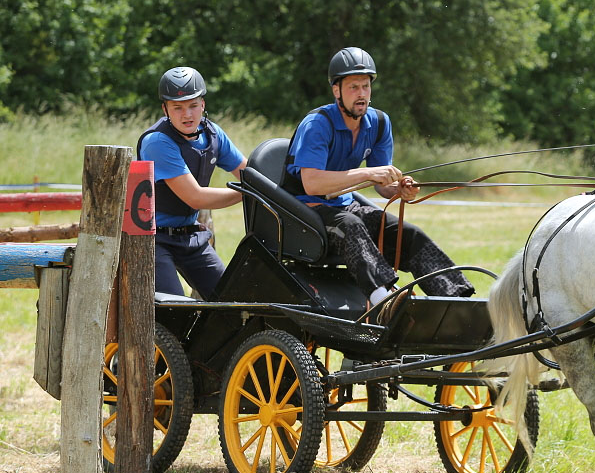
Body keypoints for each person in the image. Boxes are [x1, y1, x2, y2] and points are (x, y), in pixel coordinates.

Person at [281, 47, 474, 312]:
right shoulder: (317, 124)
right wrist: (369, 173)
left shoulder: (380, 123)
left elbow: (382, 186)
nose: (361, 94)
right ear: (336, 91)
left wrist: (399, 188)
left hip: (343, 207)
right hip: (303, 211)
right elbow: (312, 184)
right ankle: (383, 300)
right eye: (353, 87)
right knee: (351, 226)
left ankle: (456, 301)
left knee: (407, 233)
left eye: (366, 86)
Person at [137, 66, 247, 299]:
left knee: (233, 301)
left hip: (190, 236)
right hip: (154, 240)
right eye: (178, 107)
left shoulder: (214, 135)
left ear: (203, 105)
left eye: (193, 105)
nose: (187, 114)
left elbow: (250, 173)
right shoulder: (157, 141)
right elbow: (195, 197)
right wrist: (248, 193)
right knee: (174, 311)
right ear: (165, 108)